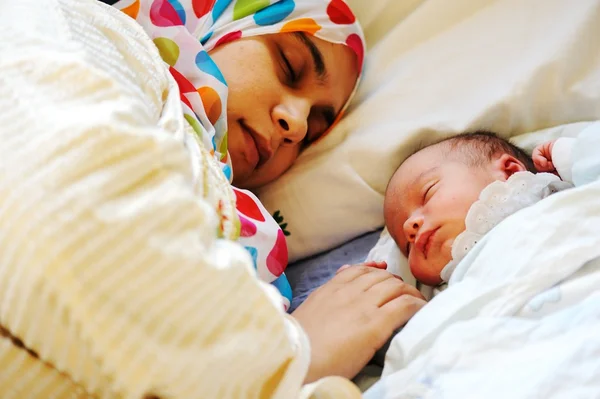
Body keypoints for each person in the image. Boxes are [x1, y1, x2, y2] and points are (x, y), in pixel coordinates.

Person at [0, 0, 426, 396]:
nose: (295, 125)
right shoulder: (87, 33)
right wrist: (293, 358)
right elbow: (63, 220)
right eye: (289, 66)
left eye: (314, 128)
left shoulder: (236, 215)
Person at [384, 131, 574, 286]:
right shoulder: (444, 296)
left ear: (510, 171)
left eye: (428, 192)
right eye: (407, 248)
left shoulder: (563, 198)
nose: (409, 226)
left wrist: (569, 155)